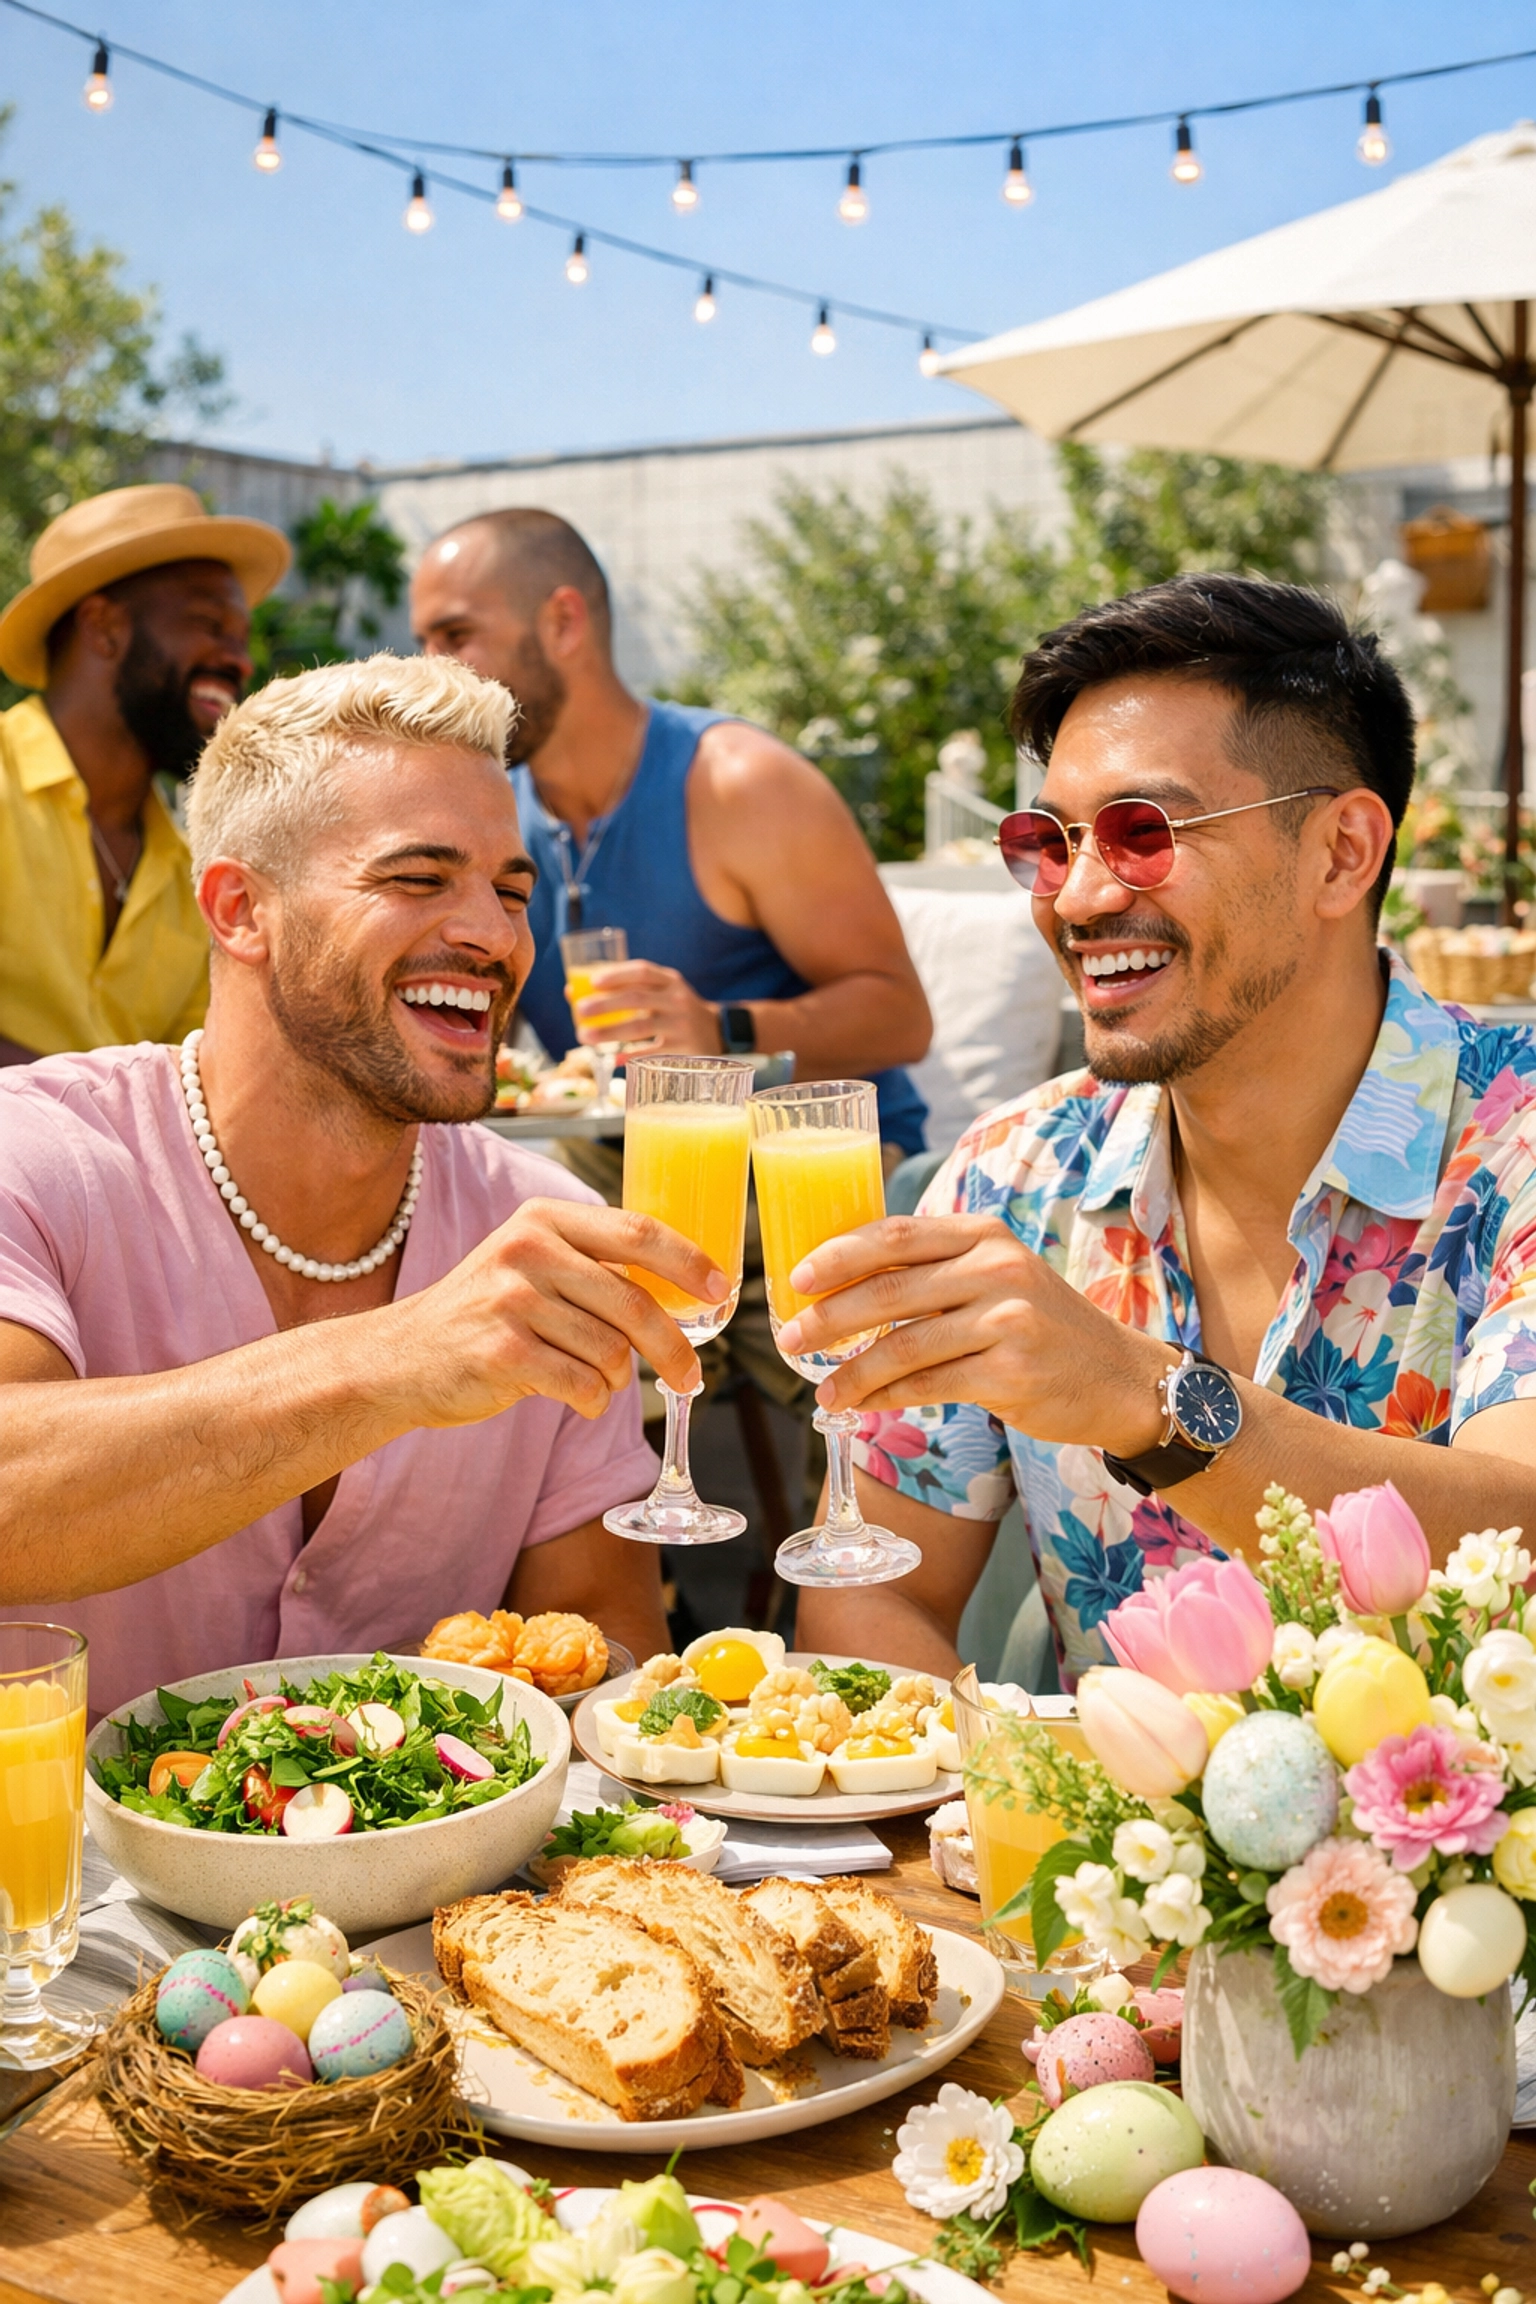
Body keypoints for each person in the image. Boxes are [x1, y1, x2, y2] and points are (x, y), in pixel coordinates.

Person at [791, 575, 1536, 1688]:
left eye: (1144, 832)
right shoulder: (1011, 1175)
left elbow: (1521, 1536)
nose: (1079, 897)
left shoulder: (1515, 1141)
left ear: (1342, 852)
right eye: (1049, 840)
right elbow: (878, 1587)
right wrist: (1003, 1815)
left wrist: (1150, 1402)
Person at [0, 652, 728, 1716]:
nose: (492, 934)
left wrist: (606, 1693)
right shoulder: (36, 1153)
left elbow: (605, 1636)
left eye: (510, 891)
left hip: (433, 1878)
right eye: (419, 879)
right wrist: (395, 1363)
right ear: (241, 909)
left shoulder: (545, 1227)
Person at [408, 509, 932, 1161]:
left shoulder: (740, 782)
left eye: (455, 635)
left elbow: (903, 1019)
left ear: (562, 622)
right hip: (623, 1167)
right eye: (423, 642)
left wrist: (721, 1030)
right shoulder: (491, 813)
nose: (433, 670)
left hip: (811, 1163)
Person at [0, 482, 291, 1065]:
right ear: (104, 628)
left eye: (241, 637)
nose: (240, 661)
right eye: (211, 624)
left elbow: (196, 1084)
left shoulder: (199, 876)